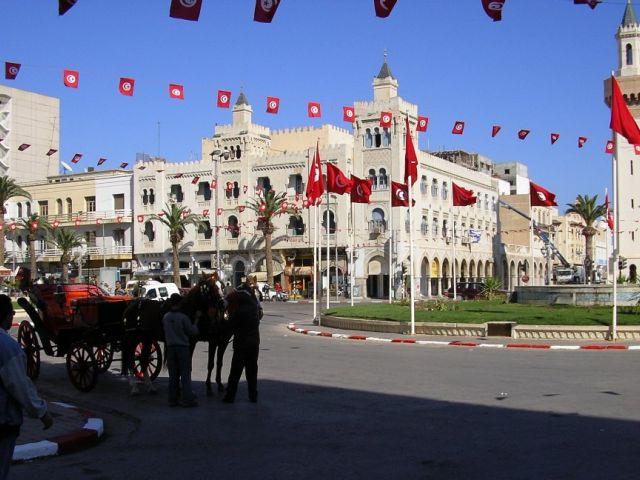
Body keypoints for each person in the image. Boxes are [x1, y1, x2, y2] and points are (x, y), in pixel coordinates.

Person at [0, 294, 53, 479]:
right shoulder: (7, 346)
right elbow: (19, 385)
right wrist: (42, 412)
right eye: (11, 313)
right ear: (7, 316)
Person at [223, 276, 263, 404]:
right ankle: (253, 395)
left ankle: (230, 396)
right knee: (252, 371)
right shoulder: (255, 310)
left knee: (235, 372)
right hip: (254, 344)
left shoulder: (238, 312)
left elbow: (230, 326)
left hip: (241, 345)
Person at [162, 293, 199, 407]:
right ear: (179, 303)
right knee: (185, 374)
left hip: (170, 348)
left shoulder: (166, 317)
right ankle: (187, 399)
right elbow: (193, 332)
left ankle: (172, 399)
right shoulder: (183, 318)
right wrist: (197, 319)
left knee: (173, 375)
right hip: (182, 348)